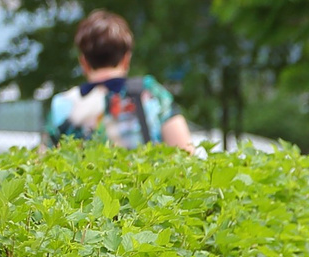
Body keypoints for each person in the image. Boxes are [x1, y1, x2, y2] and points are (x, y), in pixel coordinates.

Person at [46, 10, 200, 153]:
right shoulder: (151, 93)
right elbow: (185, 153)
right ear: (126, 59)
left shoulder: (62, 104)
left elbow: (43, 164)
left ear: (83, 62)